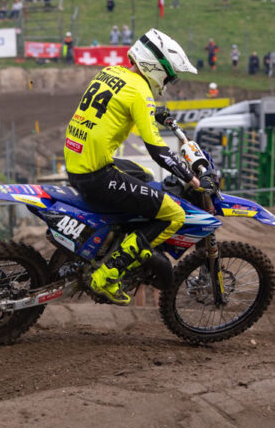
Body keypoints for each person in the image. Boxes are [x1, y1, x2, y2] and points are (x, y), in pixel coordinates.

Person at [64, 28, 201, 305]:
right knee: (174, 214)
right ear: (156, 66)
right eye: (169, 75)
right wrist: (191, 178)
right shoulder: (140, 91)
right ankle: (108, 274)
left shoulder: (109, 72)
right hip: (96, 175)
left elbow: (116, 107)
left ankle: (117, 237)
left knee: (144, 176)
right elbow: (157, 149)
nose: (169, 81)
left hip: (77, 162)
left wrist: (152, 113)